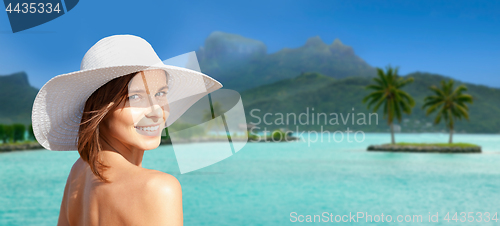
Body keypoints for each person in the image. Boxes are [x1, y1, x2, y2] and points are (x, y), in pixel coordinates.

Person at [31, 35, 222, 225]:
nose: (157, 111)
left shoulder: (79, 171)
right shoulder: (158, 188)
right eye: (135, 97)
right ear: (101, 108)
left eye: (161, 93)